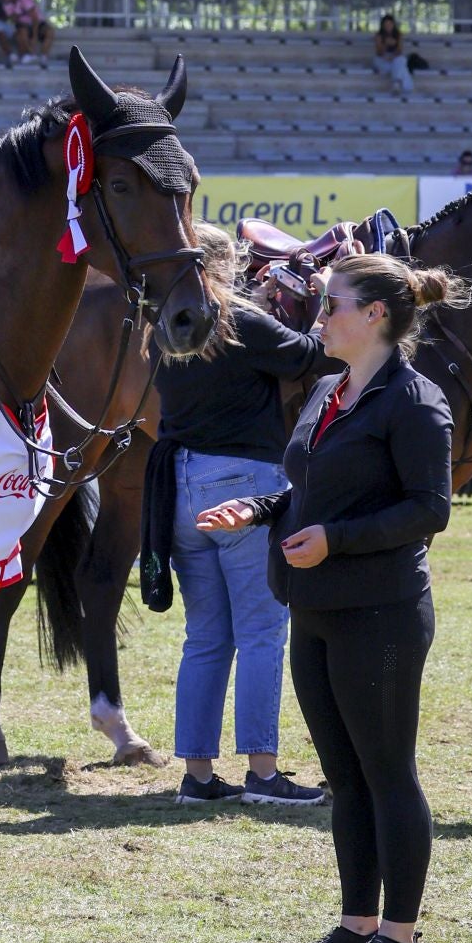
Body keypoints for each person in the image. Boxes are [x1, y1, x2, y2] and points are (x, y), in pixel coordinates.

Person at [197, 253, 463, 943]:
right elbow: (309, 490)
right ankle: (357, 925)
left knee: (387, 774)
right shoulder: (325, 392)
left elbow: (429, 510)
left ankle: (399, 938)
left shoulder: (414, 401)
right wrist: (258, 509)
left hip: (379, 613)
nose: (320, 318)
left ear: (375, 314)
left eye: (333, 305)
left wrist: (336, 541)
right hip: (313, 609)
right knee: (345, 779)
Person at [155, 225, 330, 809]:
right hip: (243, 485)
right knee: (261, 632)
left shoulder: (167, 325)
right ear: (224, 267)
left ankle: (199, 776)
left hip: (179, 485)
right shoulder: (237, 319)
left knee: (205, 637)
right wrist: (323, 295)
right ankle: (262, 771)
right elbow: (310, 357)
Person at [0, 0, 54, 66]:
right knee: (21, 33)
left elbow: (35, 18)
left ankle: (43, 57)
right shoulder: (6, 4)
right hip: (23, 26)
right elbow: (13, 19)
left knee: (50, 32)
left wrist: (35, 36)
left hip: (37, 24)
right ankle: (28, 55)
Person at [372, 14, 413, 97]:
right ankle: (406, 87)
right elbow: (379, 52)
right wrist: (386, 45)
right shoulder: (379, 36)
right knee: (401, 68)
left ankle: (396, 84)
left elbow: (399, 50)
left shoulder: (398, 35)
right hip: (382, 59)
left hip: (394, 58)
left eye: (390, 24)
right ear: (383, 26)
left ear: (393, 25)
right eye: (386, 25)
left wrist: (392, 56)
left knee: (400, 60)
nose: (388, 26)